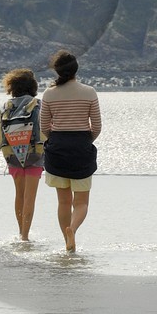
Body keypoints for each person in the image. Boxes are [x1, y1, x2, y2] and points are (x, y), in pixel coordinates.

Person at [39, 49, 102, 252]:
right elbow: (97, 126)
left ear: (57, 71)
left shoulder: (49, 94)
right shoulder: (89, 92)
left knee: (63, 202)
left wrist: (57, 140)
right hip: (81, 148)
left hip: (57, 148)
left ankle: (67, 241)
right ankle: (72, 230)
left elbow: (44, 127)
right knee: (81, 202)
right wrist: (84, 141)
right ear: (76, 69)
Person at [0, 68, 46, 242]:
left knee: (19, 194)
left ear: (12, 87)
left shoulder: (6, 107)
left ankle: (20, 231)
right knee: (30, 197)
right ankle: (25, 235)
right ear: (33, 86)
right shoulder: (37, 104)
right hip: (35, 156)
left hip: (13, 156)